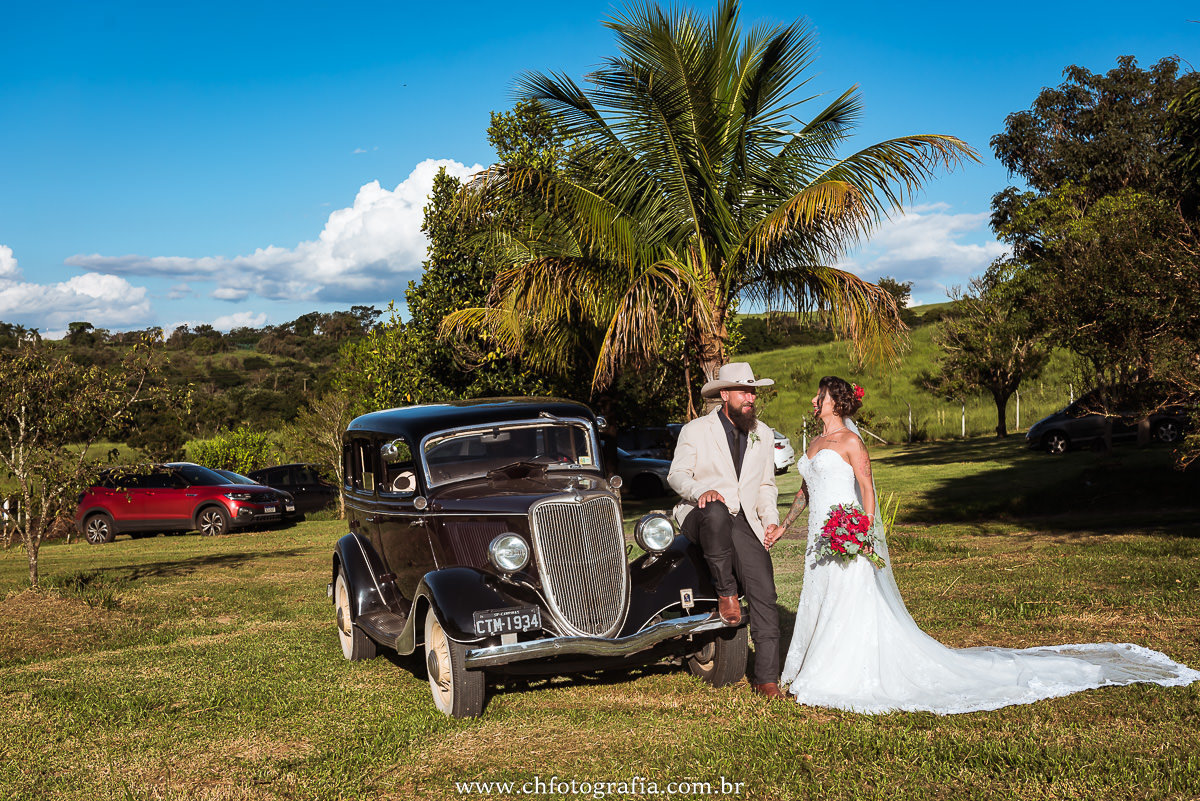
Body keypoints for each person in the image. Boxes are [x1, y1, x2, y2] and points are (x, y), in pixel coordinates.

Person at [778, 375, 1200, 713]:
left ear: (834, 401)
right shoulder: (813, 444)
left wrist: (865, 532)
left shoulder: (852, 443)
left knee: (849, 602)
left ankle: (841, 673)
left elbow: (867, 489)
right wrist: (784, 526)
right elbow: (805, 491)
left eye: (819, 397)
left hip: (850, 535)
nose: (814, 403)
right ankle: (816, 663)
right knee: (822, 597)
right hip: (820, 538)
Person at [668, 362, 786, 699]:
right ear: (724, 395)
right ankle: (726, 592)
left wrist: (769, 521)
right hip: (699, 512)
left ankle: (767, 680)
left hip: (742, 519)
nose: (750, 397)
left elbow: (766, 485)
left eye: (753, 391)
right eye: (744, 391)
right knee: (716, 511)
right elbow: (677, 475)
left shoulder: (762, 433)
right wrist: (699, 491)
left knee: (764, 588)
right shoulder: (696, 430)